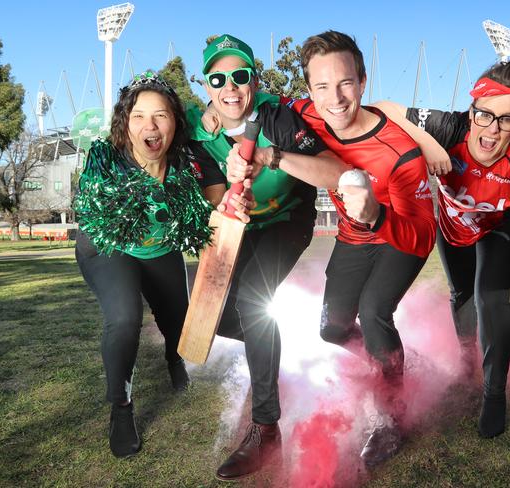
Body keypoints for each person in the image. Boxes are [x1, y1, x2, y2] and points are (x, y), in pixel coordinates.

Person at [376, 60, 510, 438]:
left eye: (507, 121)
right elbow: (383, 108)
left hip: (502, 223)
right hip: (454, 222)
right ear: (471, 111)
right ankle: (468, 367)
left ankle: (494, 393)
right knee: (462, 294)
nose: (493, 129)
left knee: (491, 299)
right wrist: (428, 143)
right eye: (485, 115)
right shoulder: (450, 126)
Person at [188, 34, 347, 481]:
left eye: (240, 75)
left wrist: (270, 157)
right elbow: (218, 196)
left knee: (254, 298)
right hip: (243, 225)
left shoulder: (278, 116)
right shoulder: (200, 129)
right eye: (218, 79)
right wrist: (225, 202)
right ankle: (269, 342)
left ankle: (266, 429)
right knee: (205, 309)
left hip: (287, 219)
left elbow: (336, 170)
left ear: (253, 80)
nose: (230, 87)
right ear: (206, 88)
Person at [74, 70, 249, 458]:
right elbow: (91, 220)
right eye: (138, 116)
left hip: (160, 250)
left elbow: (220, 204)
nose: (149, 126)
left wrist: (232, 203)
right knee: (124, 318)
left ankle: (174, 361)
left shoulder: (189, 160)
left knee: (177, 321)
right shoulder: (105, 159)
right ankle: (121, 407)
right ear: (125, 123)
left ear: (174, 123)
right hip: (108, 249)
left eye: (161, 116)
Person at [289, 31, 436, 467]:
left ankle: (392, 416)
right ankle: (382, 357)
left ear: (363, 81)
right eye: (321, 87)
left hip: (398, 236)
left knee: (373, 311)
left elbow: (422, 236)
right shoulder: (305, 114)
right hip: (352, 240)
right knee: (331, 328)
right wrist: (217, 117)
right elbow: (256, 103)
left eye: (345, 83)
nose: (334, 99)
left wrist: (377, 216)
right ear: (309, 91)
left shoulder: (402, 153)